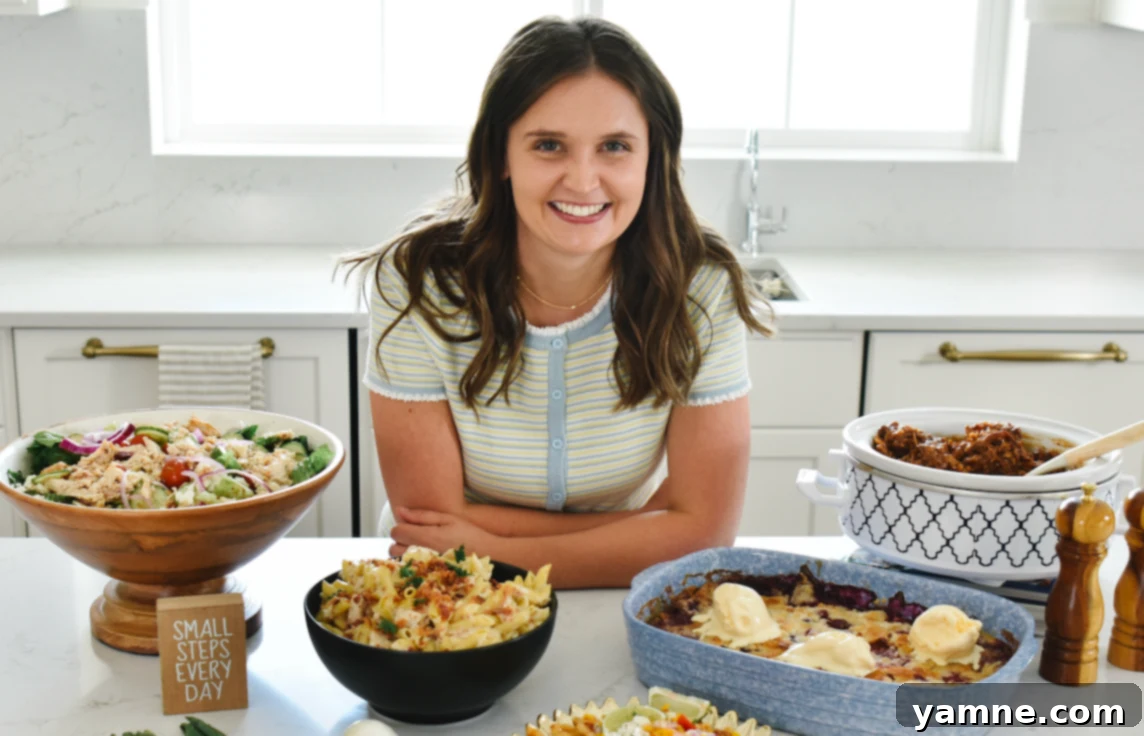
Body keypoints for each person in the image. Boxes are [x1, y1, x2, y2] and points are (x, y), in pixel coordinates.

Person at [341, 15, 773, 588]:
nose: (583, 180)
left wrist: (491, 547)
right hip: (453, 584)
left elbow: (704, 533)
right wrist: (647, 528)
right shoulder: (419, 281)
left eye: (615, 147)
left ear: (653, 157)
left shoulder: (701, 287)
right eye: (549, 145)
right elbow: (429, 521)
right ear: (500, 155)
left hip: (612, 587)